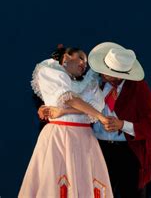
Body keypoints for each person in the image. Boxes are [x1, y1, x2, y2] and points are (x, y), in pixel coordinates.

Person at [38, 42, 151, 197]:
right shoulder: (94, 83)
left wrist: (123, 125)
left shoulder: (138, 88)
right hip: (97, 149)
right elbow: (77, 104)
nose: (103, 74)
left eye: (109, 72)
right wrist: (50, 108)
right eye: (104, 69)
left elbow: (150, 126)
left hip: (128, 152)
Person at [19, 46, 113, 197]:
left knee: (83, 179)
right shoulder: (50, 71)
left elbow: (94, 107)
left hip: (84, 138)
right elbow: (69, 98)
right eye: (81, 58)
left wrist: (64, 111)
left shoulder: (90, 84)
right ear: (66, 58)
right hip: (60, 135)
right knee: (56, 178)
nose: (84, 64)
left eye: (87, 63)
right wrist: (100, 117)